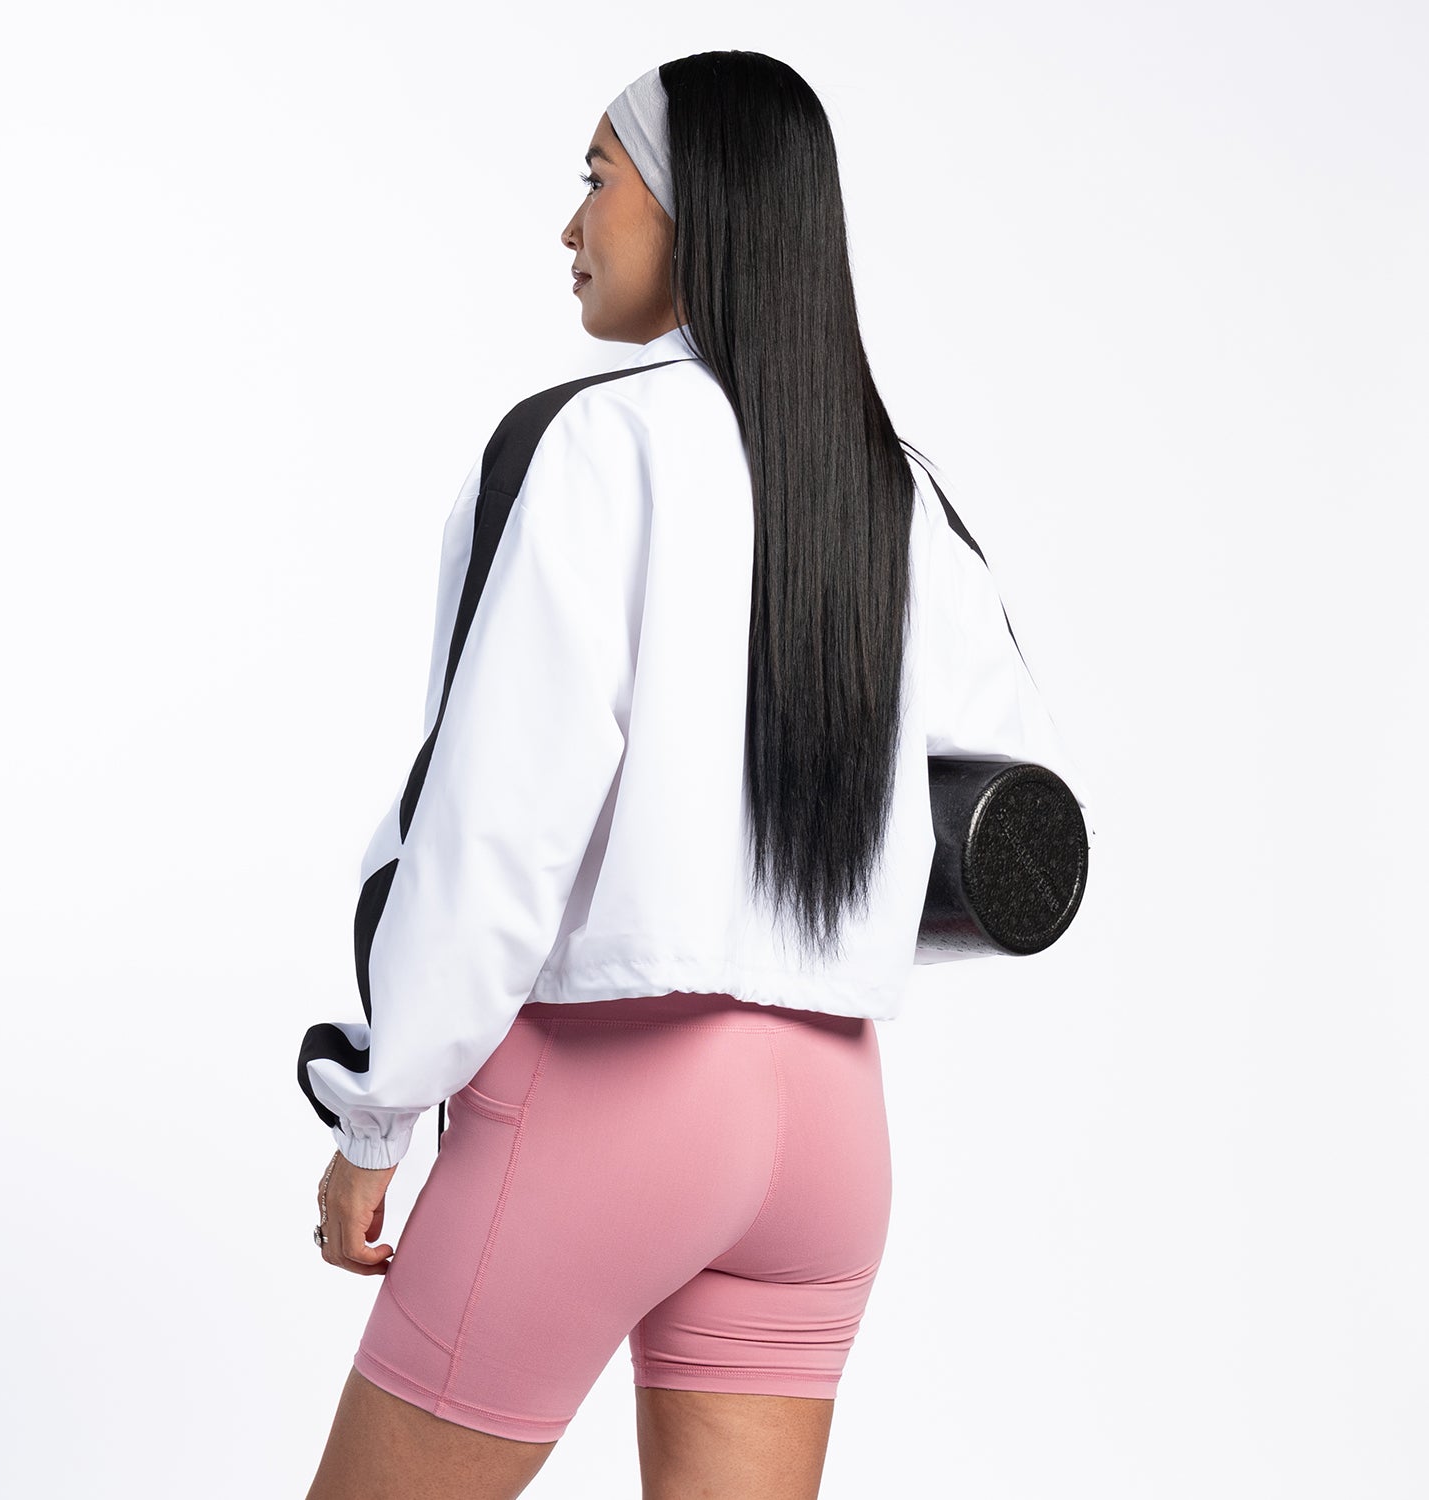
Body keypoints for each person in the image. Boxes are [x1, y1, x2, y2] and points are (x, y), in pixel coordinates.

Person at [301, 51, 1096, 1500]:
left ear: (696, 207)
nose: (572, 224)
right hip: (828, 1129)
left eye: (598, 178)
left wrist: (377, 1111)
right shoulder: (892, 483)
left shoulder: (588, 446)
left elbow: (493, 827)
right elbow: (1009, 827)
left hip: (605, 1102)